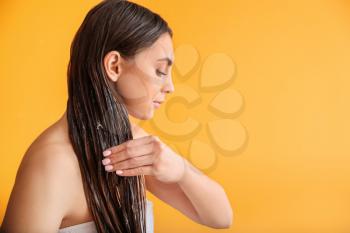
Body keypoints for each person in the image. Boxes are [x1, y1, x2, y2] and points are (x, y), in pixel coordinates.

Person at [0, 0, 233, 232]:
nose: (170, 86)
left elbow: (221, 217)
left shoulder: (128, 143)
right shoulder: (52, 163)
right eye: (160, 70)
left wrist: (180, 170)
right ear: (114, 66)